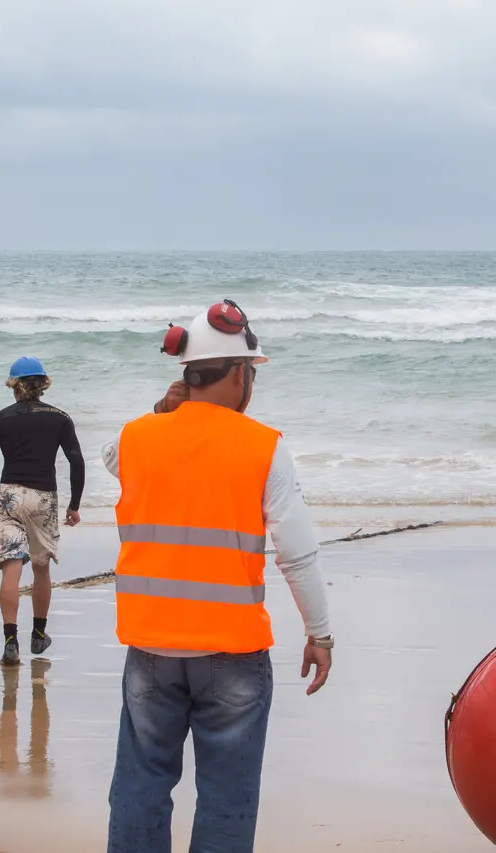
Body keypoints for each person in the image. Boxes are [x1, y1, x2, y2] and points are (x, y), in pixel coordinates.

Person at [99, 299, 333, 853]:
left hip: (151, 647)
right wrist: (319, 633)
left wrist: (164, 410)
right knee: (227, 796)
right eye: (251, 372)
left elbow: (112, 455)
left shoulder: (138, 437)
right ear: (238, 373)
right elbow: (297, 554)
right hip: (233, 651)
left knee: (140, 786)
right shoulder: (264, 447)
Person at [0, 355, 86, 665]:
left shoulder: (0, 419)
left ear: (14, 387)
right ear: (43, 384)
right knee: (41, 565)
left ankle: (10, 639)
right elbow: (76, 460)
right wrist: (75, 504)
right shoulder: (60, 417)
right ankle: (38, 634)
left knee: (11, 565)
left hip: (10, 495)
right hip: (43, 497)